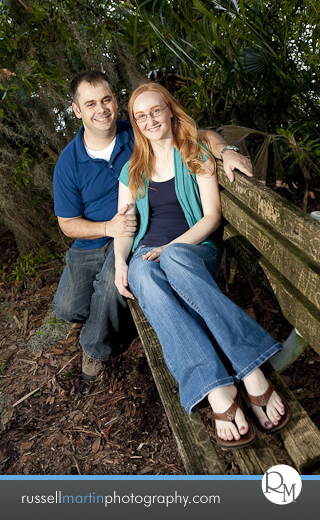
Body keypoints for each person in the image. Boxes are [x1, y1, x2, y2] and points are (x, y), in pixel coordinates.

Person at [114, 83, 291, 449]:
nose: (150, 120)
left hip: (194, 253)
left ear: (170, 110)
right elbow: (124, 224)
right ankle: (217, 388)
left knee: (175, 258)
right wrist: (120, 262)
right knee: (141, 270)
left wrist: (169, 247)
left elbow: (211, 218)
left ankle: (251, 369)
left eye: (156, 110)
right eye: (140, 115)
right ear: (134, 122)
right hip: (149, 255)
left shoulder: (194, 153)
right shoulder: (133, 170)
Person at [53, 70, 253, 383]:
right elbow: (67, 224)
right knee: (66, 308)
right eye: (90, 104)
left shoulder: (137, 129)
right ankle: (118, 320)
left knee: (112, 285)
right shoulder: (68, 162)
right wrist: (109, 227)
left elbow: (197, 136)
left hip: (137, 232)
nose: (101, 109)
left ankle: (95, 347)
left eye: (106, 99)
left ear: (116, 102)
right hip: (96, 237)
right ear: (78, 111)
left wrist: (226, 150)